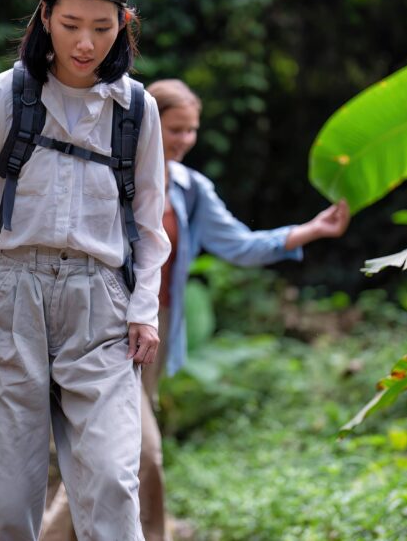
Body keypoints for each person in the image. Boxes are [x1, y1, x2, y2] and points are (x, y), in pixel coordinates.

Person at [42, 78, 351, 541]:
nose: (185, 140)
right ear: (148, 123)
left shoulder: (190, 188)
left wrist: (310, 231)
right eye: (176, 129)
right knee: (141, 449)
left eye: (192, 130)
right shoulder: (107, 170)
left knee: (109, 447)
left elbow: (239, 245)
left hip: (153, 331)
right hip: (98, 321)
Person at [0, 0, 170, 540]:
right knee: (4, 495)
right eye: (71, 25)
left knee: (112, 483)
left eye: (101, 28)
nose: (85, 43)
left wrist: (144, 310)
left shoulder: (137, 111)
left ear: (122, 25)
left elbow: (150, 227)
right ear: (45, 17)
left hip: (102, 304)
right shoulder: (3, 96)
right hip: (12, 296)